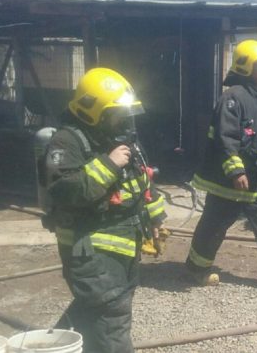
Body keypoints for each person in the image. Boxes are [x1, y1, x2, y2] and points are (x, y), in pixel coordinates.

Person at [44, 68, 167, 353]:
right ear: (92, 112)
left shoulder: (118, 138)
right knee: (112, 319)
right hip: (90, 251)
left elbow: (143, 180)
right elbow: (67, 190)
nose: (121, 121)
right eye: (114, 114)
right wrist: (109, 165)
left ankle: (53, 346)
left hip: (122, 250)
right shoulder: (66, 142)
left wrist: (156, 217)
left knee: (94, 316)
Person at [185, 39, 257, 289]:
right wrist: (236, 171)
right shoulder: (232, 98)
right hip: (230, 181)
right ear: (245, 66)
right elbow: (224, 138)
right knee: (213, 225)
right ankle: (196, 269)